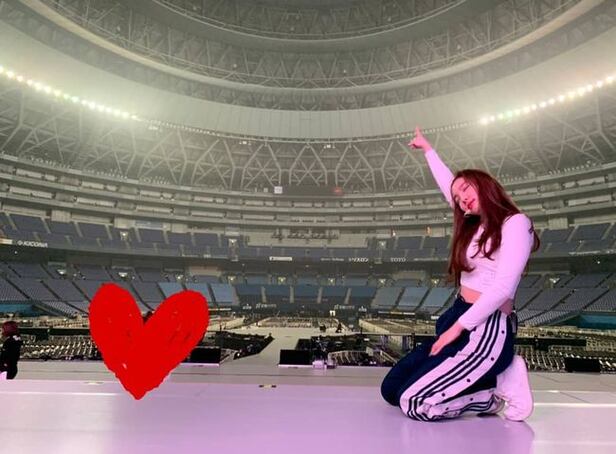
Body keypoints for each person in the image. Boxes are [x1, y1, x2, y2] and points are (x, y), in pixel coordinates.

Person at [380, 127, 540, 422]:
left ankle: (494, 388)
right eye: (457, 197)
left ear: (485, 184)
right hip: (458, 313)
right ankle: (495, 382)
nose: (462, 199)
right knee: (391, 390)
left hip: (486, 326)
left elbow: (503, 287)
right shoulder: (474, 226)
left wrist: (456, 329)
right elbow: (449, 186)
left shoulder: (515, 223)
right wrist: (429, 151)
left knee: (414, 402)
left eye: (466, 189)